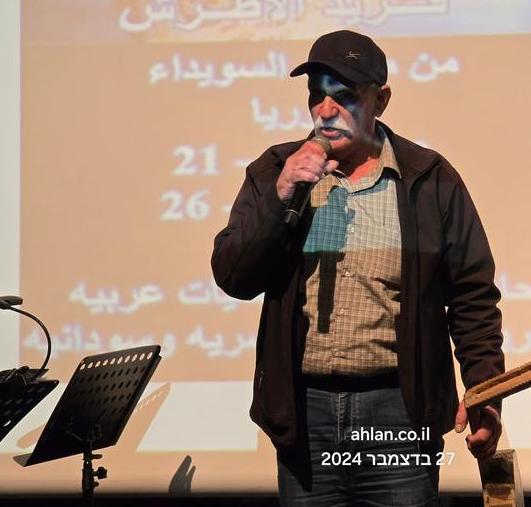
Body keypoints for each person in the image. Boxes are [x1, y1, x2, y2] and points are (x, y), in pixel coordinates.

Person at [211, 29, 504, 505]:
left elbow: (472, 297)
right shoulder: (277, 170)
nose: (326, 110)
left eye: (344, 96)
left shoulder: (428, 179)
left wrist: (486, 392)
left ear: (380, 100)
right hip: (306, 415)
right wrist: (281, 195)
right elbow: (234, 277)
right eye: (316, 95)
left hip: (399, 412)